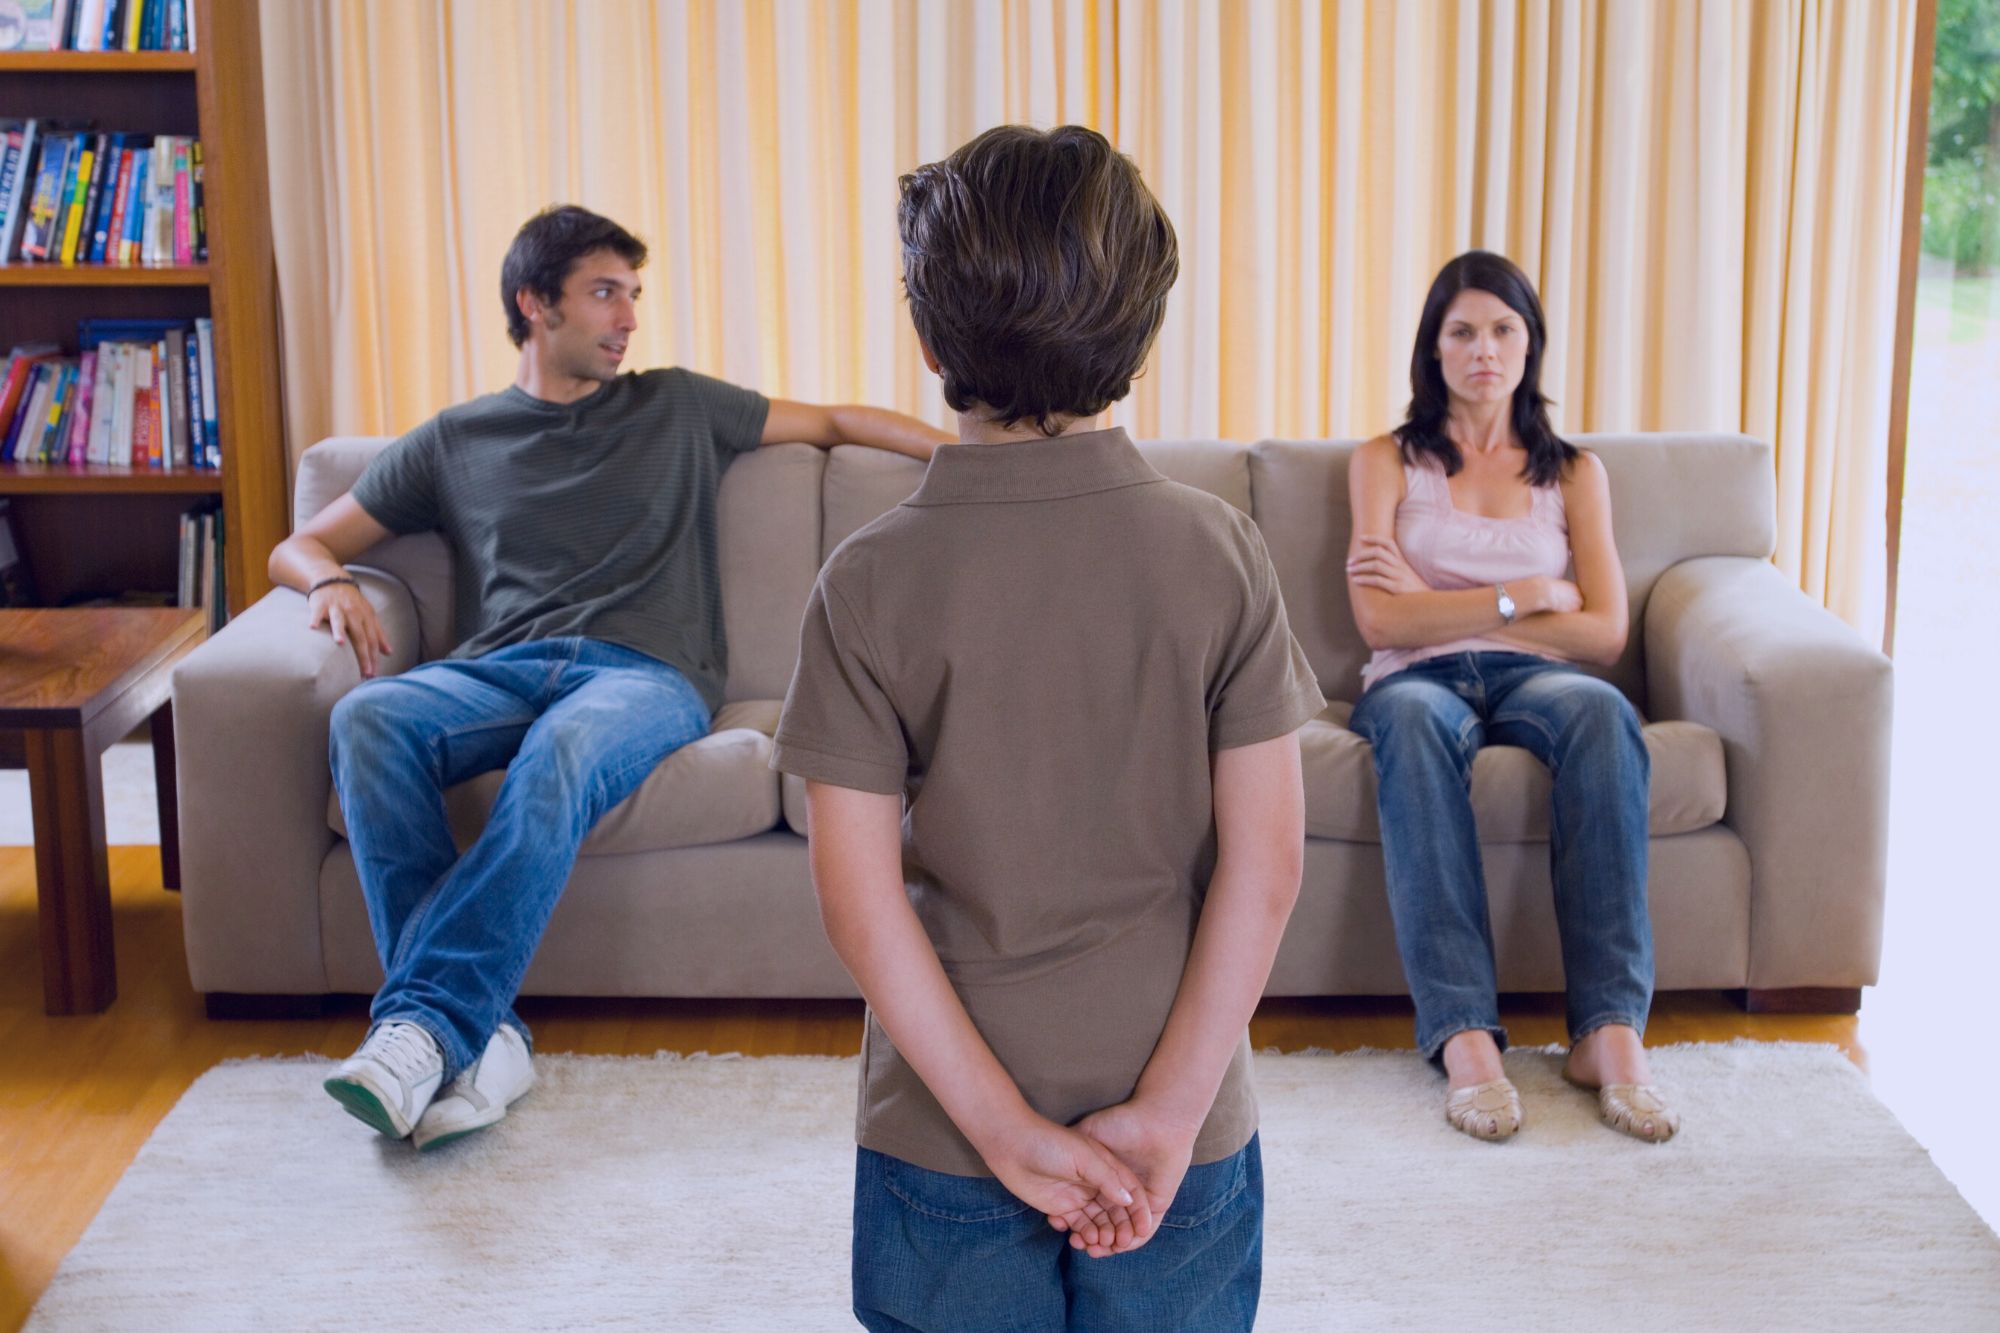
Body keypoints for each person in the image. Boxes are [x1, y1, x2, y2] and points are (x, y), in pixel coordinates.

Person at [772, 125, 1325, 1332]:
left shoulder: (867, 580)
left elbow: (856, 905)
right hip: (1177, 1128)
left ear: (926, 340)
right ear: (1139, 335)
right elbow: (1268, 865)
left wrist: (1002, 1130)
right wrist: (1172, 1111)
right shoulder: (1219, 552)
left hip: (944, 1134)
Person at [268, 205, 950, 1151]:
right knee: (369, 718)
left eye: (633, 294)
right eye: (603, 293)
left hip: (644, 676)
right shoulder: (458, 439)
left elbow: (835, 419)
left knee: (561, 754)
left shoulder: (677, 404)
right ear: (534, 304)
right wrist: (330, 582)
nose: (628, 317)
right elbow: (300, 543)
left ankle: (421, 1027)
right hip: (498, 672)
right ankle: (480, 1030)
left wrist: (959, 458)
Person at [1343, 249, 1677, 1143]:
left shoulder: (1574, 473)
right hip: (1414, 679)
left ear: (1529, 345)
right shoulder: (1385, 460)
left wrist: (1437, 604)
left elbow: (1605, 632)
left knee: (1606, 711)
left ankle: (1608, 1034)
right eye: (1462, 331)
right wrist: (1524, 596)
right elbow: (1379, 621)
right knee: (1412, 722)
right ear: (1434, 348)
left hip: (1544, 679)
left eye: (1503, 329)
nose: (1483, 348)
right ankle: (1465, 1041)